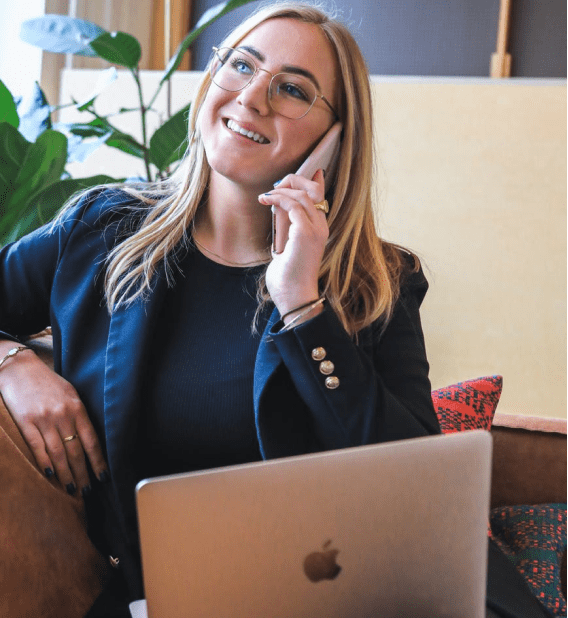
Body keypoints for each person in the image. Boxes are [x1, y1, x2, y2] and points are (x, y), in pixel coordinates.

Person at [0, 3, 552, 617]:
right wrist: (12, 363)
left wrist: (303, 306)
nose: (252, 97)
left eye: (292, 89)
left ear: (334, 139)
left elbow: (417, 485)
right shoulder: (100, 231)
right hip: (163, 600)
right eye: (241, 65)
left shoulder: (377, 281)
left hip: (350, 599)